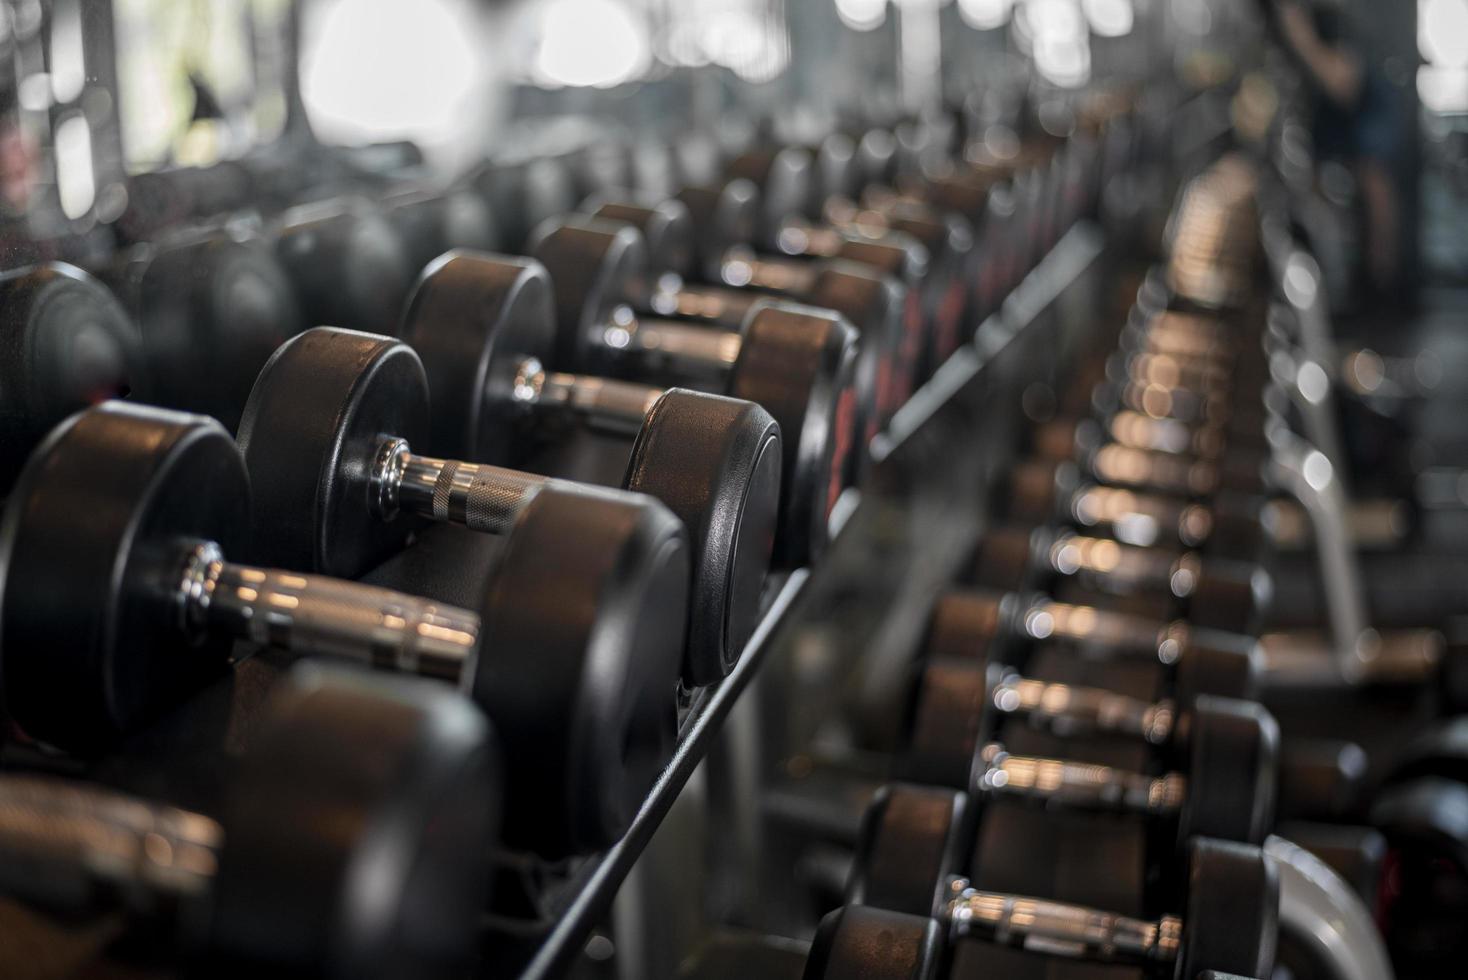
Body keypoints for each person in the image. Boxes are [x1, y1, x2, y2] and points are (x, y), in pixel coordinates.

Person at [1268, 0, 1405, 303]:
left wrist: (1298, 32)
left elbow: (1341, 82)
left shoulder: (1333, 23)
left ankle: (1378, 294)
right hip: (1332, 150)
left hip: (1363, 141)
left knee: (1374, 185)